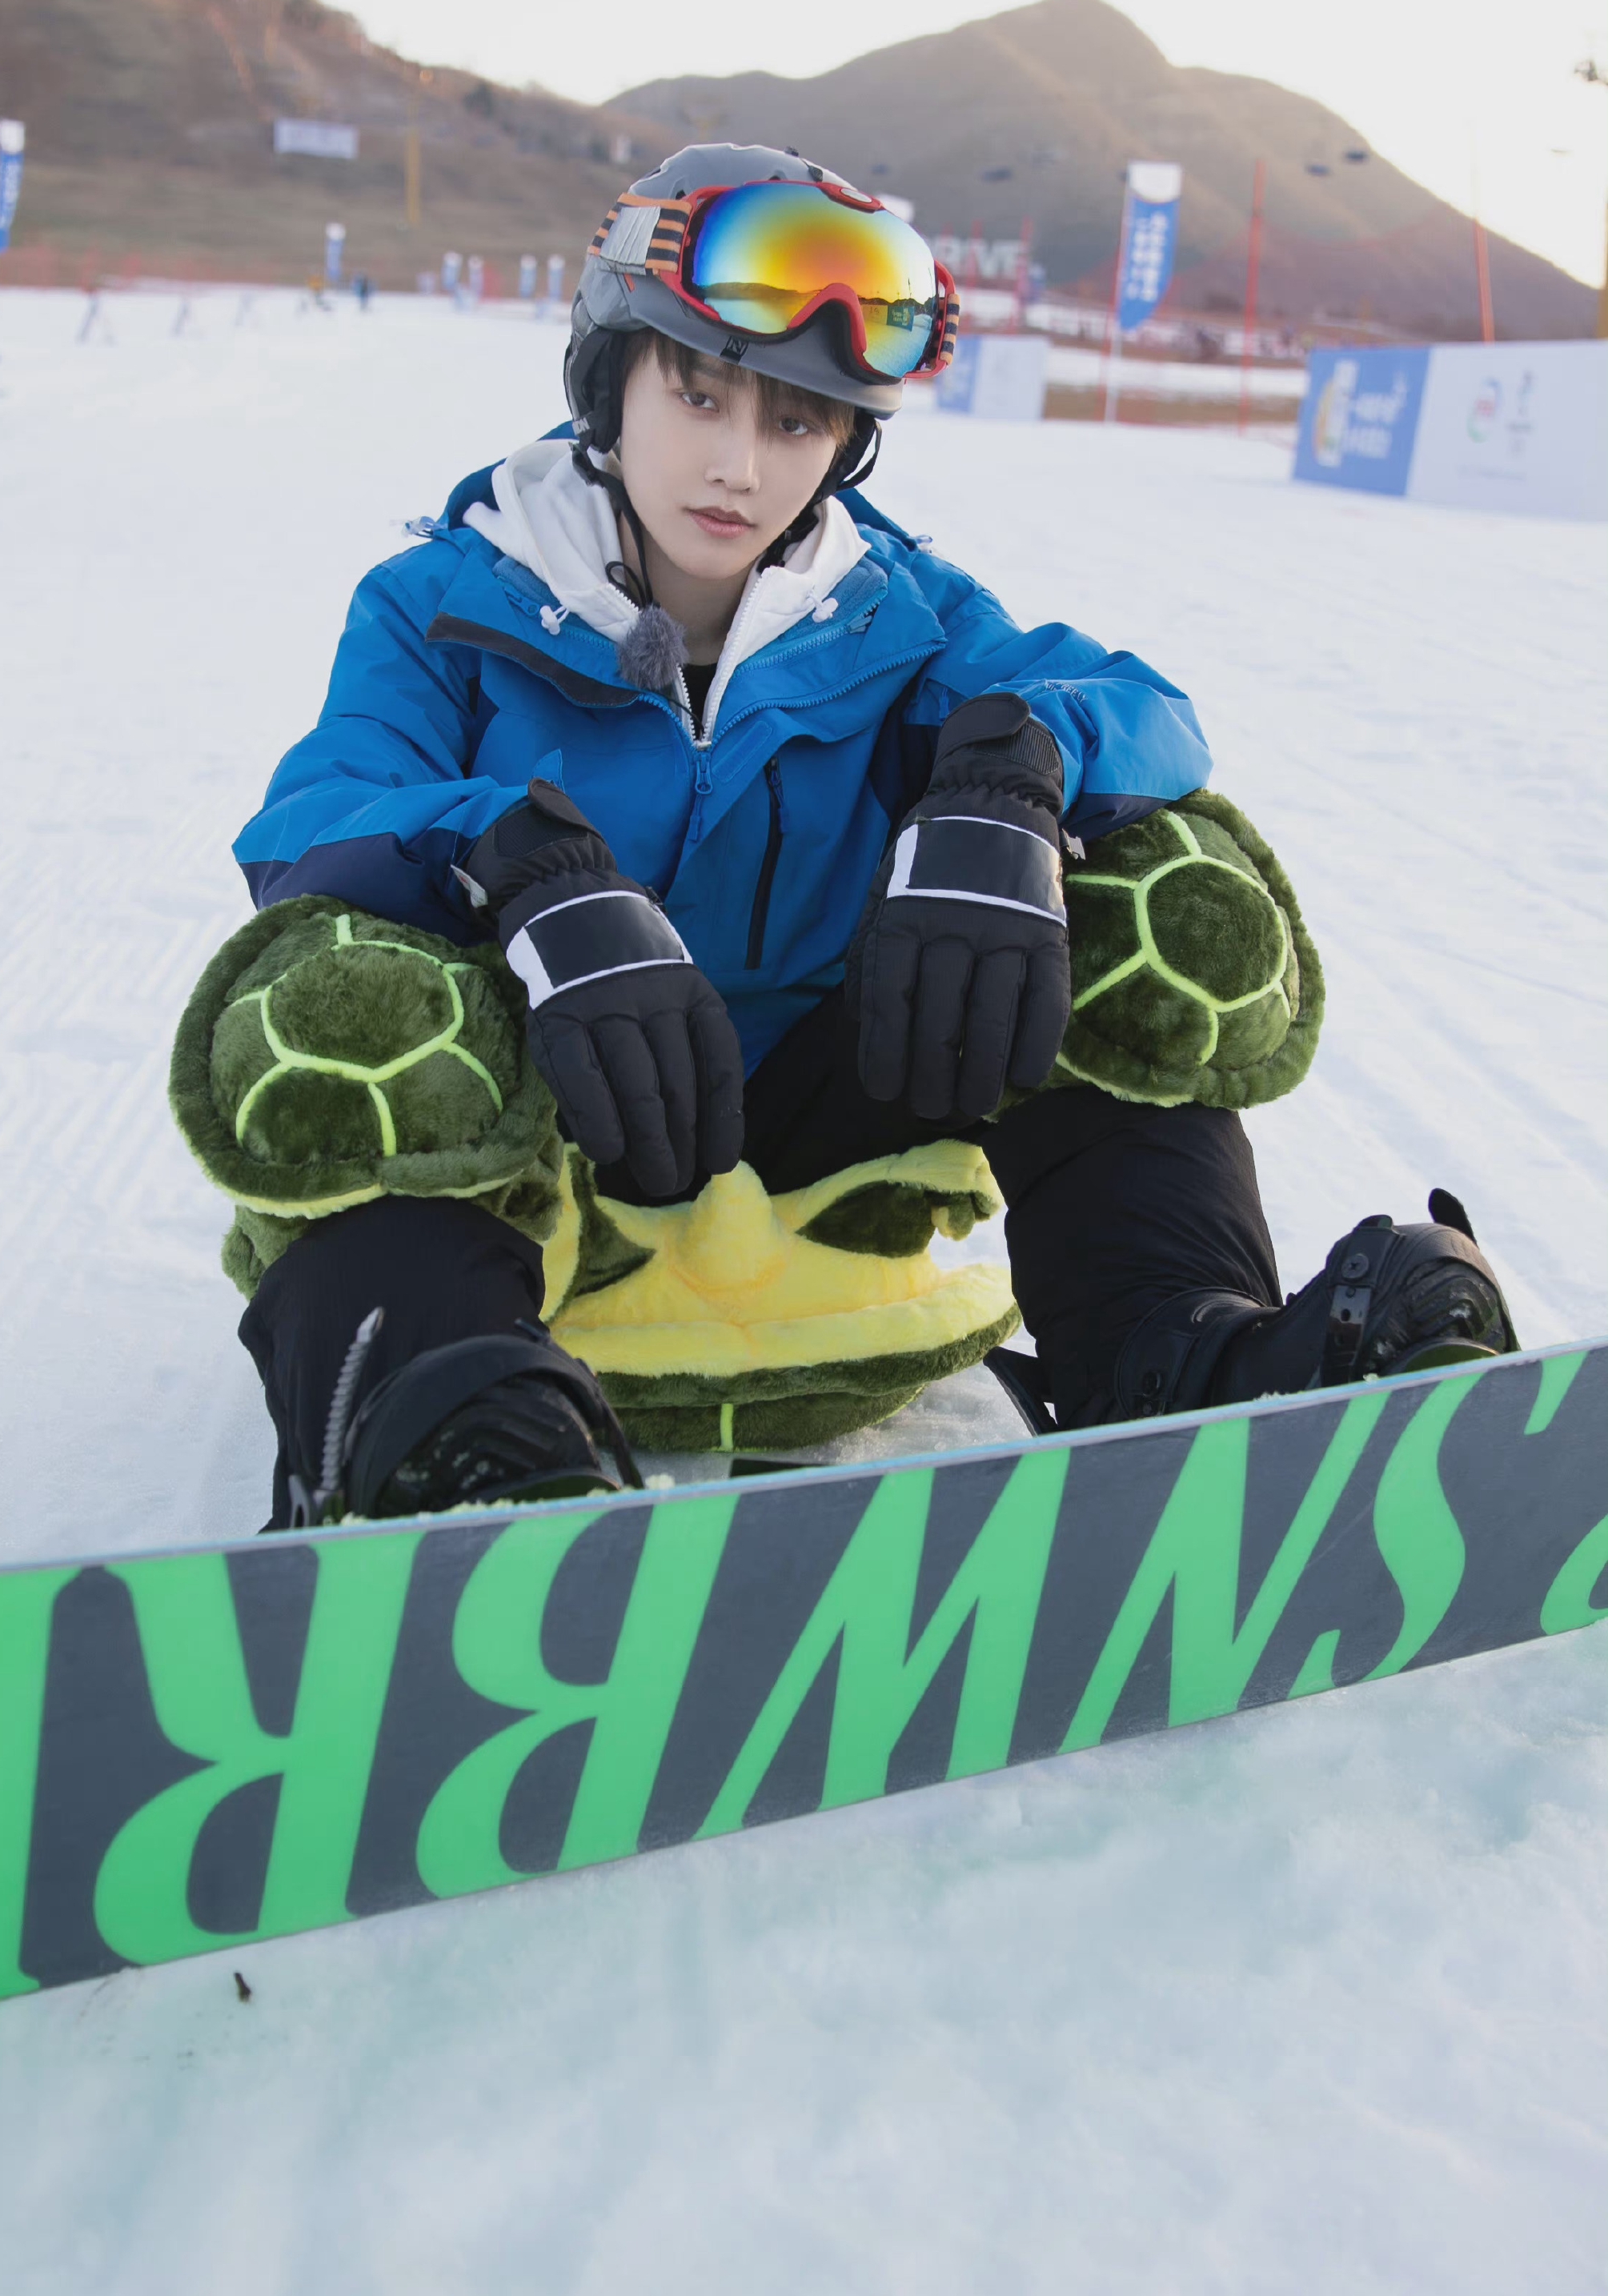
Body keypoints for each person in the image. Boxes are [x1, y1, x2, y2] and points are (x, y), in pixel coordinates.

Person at [218, 144, 1514, 1523]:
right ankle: (443, 1420)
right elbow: (318, 820)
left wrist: (1012, 776)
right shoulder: (443, 602)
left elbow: (1147, 714)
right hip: (548, 1139)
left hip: (823, 1125)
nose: (739, 466)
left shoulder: (899, 613)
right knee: (338, 976)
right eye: (699, 394)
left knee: (1141, 880)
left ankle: (1183, 1356)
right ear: (611, 381)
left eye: (797, 423)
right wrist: (522, 865)